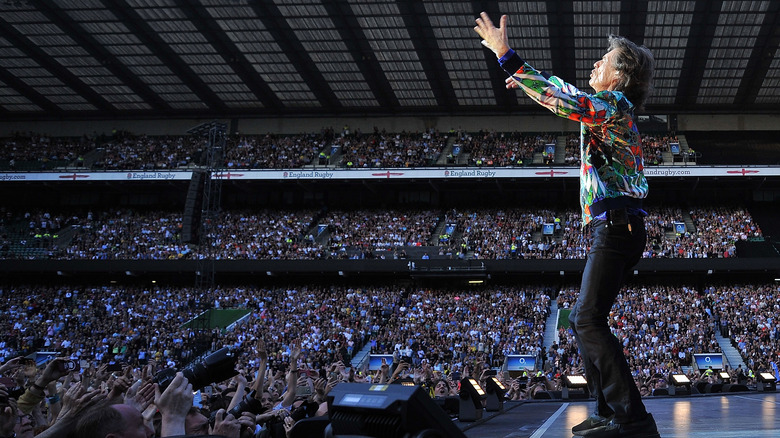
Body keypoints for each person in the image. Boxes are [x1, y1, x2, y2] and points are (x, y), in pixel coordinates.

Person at [474, 12, 659, 438]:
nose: (595, 64)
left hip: (617, 225)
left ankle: (631, 418)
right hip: (615, 227)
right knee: (581, 318)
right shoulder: (608, 109)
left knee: (588, 319)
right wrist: (526, 82)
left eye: (604, 60)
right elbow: (565, 95)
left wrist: (509, 59)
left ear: (621, 74)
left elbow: (569, 100)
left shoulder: (614, 105)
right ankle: (607, 411)